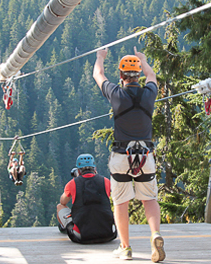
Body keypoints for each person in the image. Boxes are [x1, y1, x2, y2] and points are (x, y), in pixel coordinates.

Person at [93, 47, 165, 262]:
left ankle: (125, 248)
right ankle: (155, 234)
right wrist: (143, 59)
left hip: (121, 155)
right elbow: (152, 76)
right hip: (145, 155)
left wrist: (100, 57)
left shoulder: (116, 94)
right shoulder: (149, 93)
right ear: (139, 74)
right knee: (149, 199)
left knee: (121, 202)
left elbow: (98, 75)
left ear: (121, 75)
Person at [57, 154, 116, 244]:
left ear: (78, 171)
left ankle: (65, 228)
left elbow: (63, 201)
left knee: (60, 206)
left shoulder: (73, 183)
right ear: (95, 169)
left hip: (82, 236)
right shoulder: (105, 181)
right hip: (108, 234)